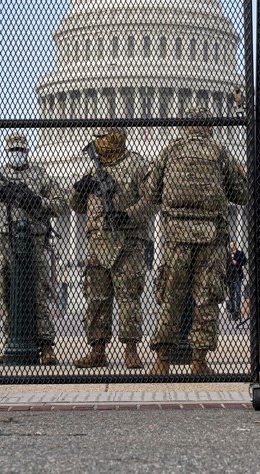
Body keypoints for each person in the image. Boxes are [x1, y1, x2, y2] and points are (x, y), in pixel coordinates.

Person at [135, 106, 249, 375]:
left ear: (185, 125)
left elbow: (150, 193)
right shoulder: (220, 152)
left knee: (170, 298)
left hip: (176, 235)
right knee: (206, 299)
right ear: (209, 126)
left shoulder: (170, 150)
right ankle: (199, 360)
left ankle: (162, 360)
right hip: (210, 237)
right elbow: (241, 194)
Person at [0, 133, 66, 365]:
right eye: (13, 150)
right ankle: (12, 340)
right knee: (6, 294)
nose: (17, 154)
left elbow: (61, 205)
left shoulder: (40, 175)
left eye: (20, 149)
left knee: (38, 293)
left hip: (34, 240)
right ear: (7, 152)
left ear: (27, 150)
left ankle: (46, 345)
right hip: (3, 242)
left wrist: (37, 201)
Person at [69, 127, 153, 369]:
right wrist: (79, 189)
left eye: (104, 136)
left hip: (128, 241)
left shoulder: (137, 164)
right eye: (97, 137)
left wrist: (128, 216)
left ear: (117, 136)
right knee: (96, 299)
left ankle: (131, 349)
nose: (99, 141)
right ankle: (97, 350)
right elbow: (77, 207)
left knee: (129, 299)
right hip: (97, 242)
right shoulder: (93, 168)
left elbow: (151, 199)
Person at [225, 241, 248, 321]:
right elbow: (226, 264)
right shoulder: (227, 254)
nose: (231, 247)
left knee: (238, 292)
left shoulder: (240, 253)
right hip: (230, 276)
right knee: (231, 293)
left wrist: (237, 262)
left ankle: (238, 309)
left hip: (238, 275)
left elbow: (245, 261)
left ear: (235, 245)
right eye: (230, 245)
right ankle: (232, 309)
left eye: (232, 245)